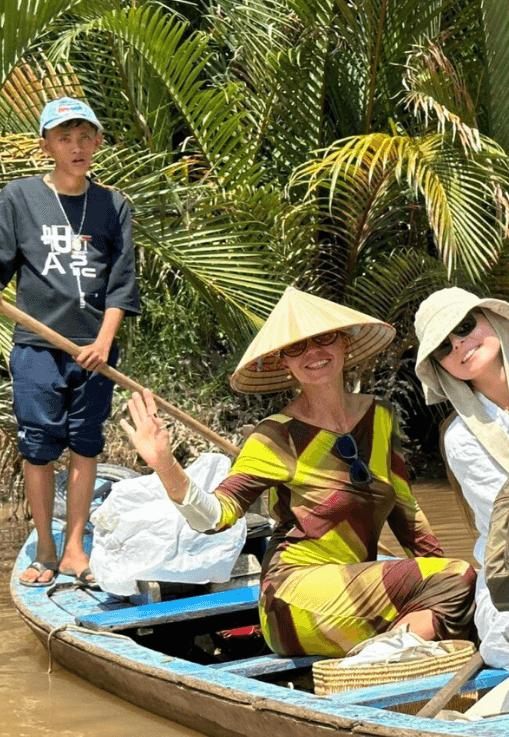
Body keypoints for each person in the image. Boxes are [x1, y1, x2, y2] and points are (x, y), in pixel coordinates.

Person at [120, 286, 476, 657]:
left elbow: (408, 515)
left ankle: (379, 661)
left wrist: (447, 581)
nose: (312, 353)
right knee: (456, 580)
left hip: (356, 594)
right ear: (283, 364)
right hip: (292, 596)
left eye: (324, 338)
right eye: (296, 348)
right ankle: (367, 668)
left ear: (344, 344)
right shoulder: (276, 436)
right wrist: (165, 465)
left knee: (463, 596)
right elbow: (215, 518)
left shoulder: (381, 416)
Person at [1, 98, 140, 587]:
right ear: (46, 146)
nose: (77, 147)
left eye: (85, 136)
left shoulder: (113, 204)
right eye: (65, 137)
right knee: (38, 447)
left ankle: (76, 547)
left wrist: (104, 342)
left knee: (85, 444)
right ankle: (45, 545)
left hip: (94, 349)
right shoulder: (18, 199)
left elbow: (122, 283)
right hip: (38, 346)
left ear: (98, 141)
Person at [413, 288, 509, 669]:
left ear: (494, 322)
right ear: (440, 366)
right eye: (443, 346)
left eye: (465, 326)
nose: (459, 344)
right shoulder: (461, 439)